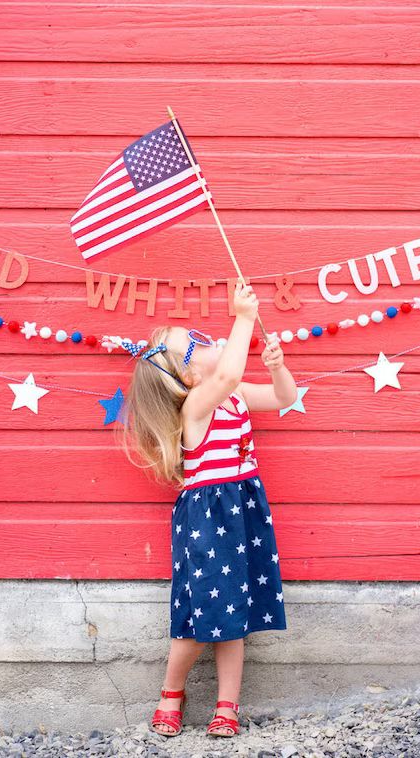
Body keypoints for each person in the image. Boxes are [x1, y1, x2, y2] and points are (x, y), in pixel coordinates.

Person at [117, 280, 298, 738]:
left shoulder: (233, 397)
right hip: (208, 518)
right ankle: (170, 693)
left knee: (232, 612)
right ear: (189, 377)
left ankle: (227, 705)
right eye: (195, 343)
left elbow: (284, 399)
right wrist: (244, 317)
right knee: (199, 616)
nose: (205, 337)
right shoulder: (196, 406)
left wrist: (278, 370)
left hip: (242, 511)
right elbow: (229, 375)